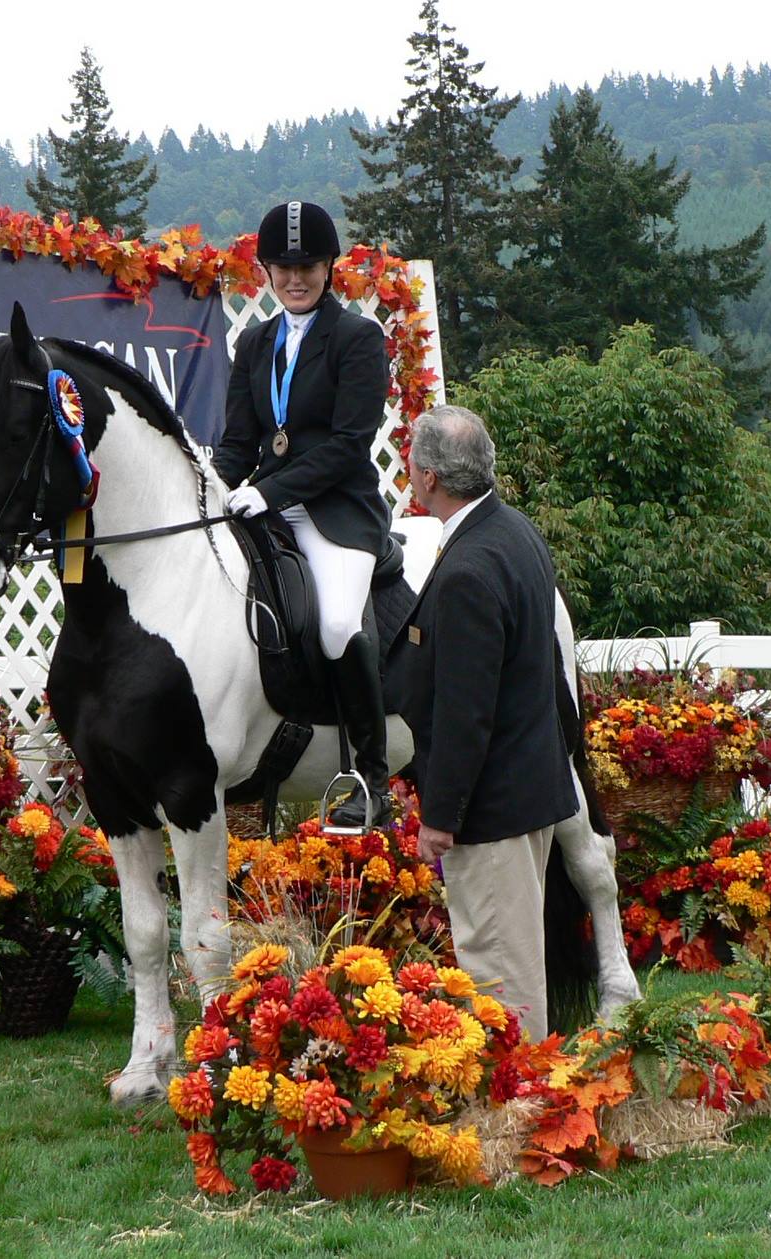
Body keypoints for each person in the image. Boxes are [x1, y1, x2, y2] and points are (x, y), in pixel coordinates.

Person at [385, 405, 578, 1037]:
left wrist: (440, 817)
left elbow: (468, 714)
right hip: (529, 791)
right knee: (514, 963)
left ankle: (519, 1119)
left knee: (500, 982)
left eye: (414, 461)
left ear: (431, 477)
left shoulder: (470, 568)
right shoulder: (515, 531)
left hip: (492, 809)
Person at [213, 200, 392, 828]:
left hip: (338, 509)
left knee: (340, 624)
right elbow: (238, 444)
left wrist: (273, 490)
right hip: (264, 506)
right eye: (283, 267)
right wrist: (212, 489)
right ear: (265, 270)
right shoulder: (254, 343)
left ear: (328, 268)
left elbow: (350, 445)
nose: (295, 278)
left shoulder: (359, 338)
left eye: (308, 266)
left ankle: (372, 779)